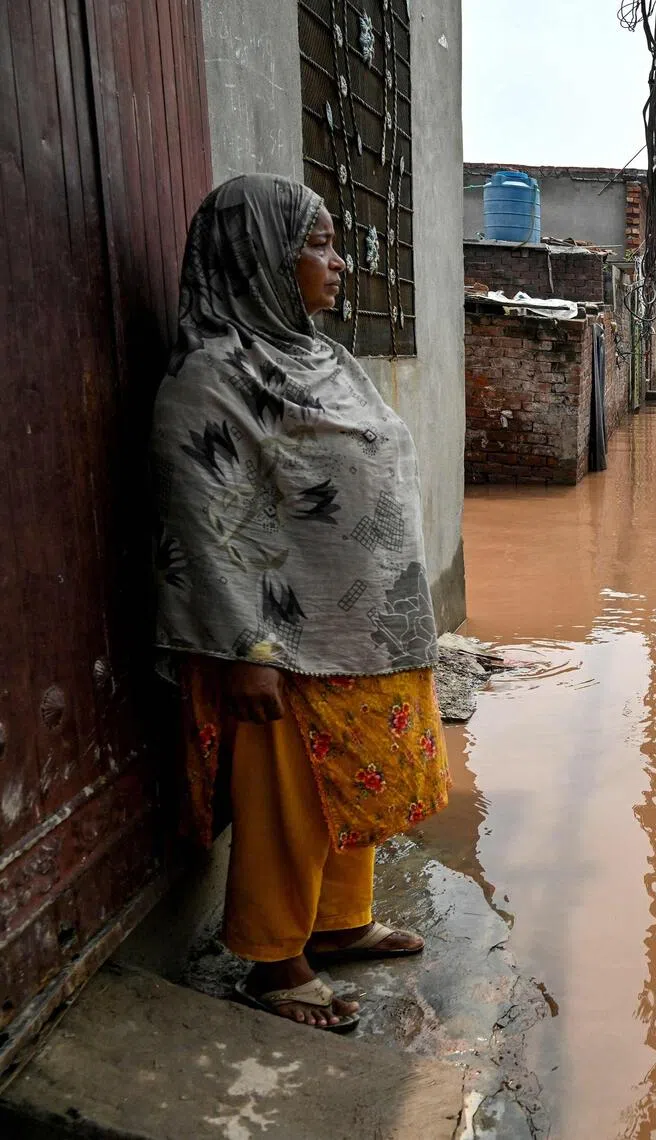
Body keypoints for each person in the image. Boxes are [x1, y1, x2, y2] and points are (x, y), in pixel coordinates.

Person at [152, 174, 450, 1032]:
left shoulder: (322, 356)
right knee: (291, 796)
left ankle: (339, 923)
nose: (339, 263)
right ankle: (275, 962)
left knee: (352, 785)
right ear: (258, 259)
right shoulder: (211, 376)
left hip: (369, 624)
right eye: (316, 244)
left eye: (333, 242)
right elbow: (198, 520)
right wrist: (244, 646)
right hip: (284, 638)